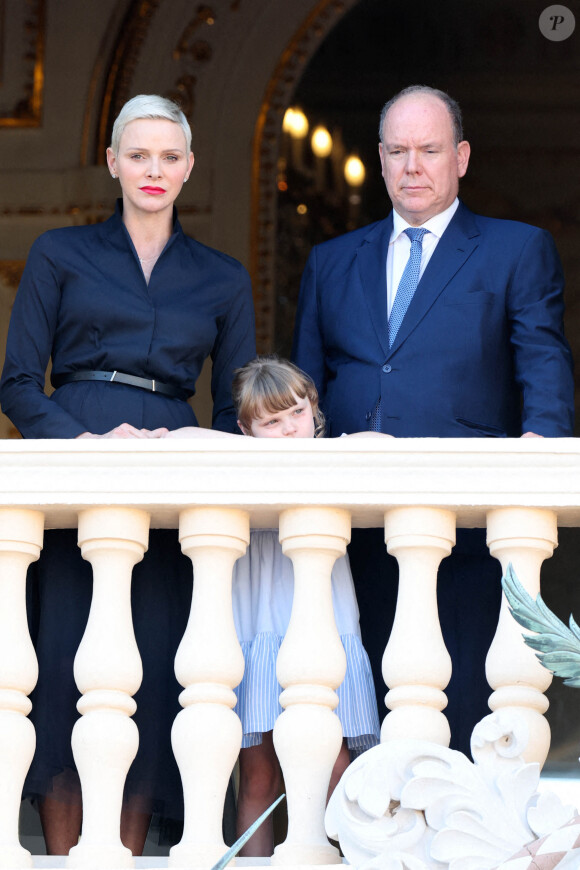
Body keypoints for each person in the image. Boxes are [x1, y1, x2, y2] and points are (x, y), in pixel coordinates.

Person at [0, 94, 256, 854]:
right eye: (138, 155)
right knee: (64, 670)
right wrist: (83, 441)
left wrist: (191, 458)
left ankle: (128, 854)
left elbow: (244, 402)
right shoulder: (58, 252)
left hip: (173, 484)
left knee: (150, 672)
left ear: (189, 170)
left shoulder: (222, 275)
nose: (153, 170)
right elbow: (16, 381)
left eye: (169, 157)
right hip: (74, 474)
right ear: (112, 162)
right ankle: (64, 855)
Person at [292, 84, 575, 757]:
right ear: (381, 159)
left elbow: (541, 356)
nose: (412, 166)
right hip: (349, 520)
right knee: (354, 696)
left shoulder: (514, 249)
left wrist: (544, 442)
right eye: (397, 151)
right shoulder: (333, 260)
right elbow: (302, 387)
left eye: (428, 150)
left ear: (462, 158)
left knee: (469, 692)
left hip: (466, 522)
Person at [164, 354, 384, 855]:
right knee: (258, 773)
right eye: (270, 422)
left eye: (297, 414)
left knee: (333, 763)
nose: (288, 430)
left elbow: (382, 444)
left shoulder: (331, 456)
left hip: (320, 628)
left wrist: (313, 446)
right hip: (258, 625)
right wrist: (245, 448)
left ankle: (352, 859)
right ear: (245, 428)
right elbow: (180, 439)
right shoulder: (241, 465)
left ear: (315, 410)